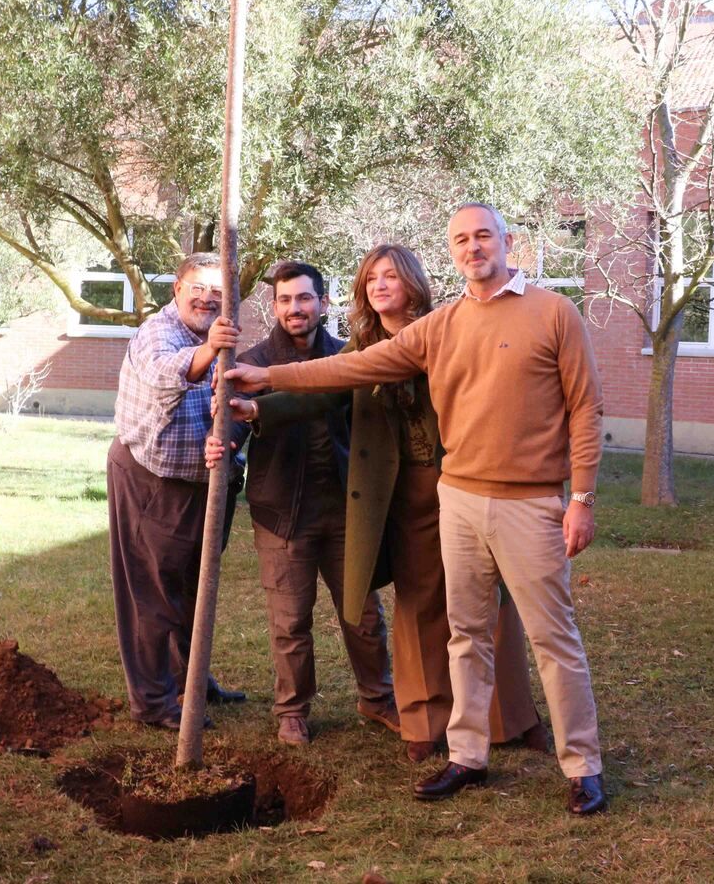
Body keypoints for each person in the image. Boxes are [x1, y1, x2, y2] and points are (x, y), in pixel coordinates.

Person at [226, 204, 609, 816]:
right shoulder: (444, 325)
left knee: (550, 637)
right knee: (464, 633)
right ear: (452, 251)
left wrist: (582, 497)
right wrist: (266, 378)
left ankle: (582, 766)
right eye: (461, 239)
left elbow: (585, 408)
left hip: (529, 500)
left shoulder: (554, 313)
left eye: (483, 235)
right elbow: (351, 368)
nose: (473, 247)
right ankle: (467, 755)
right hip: (455, 496)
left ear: (507, 242)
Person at [208, 245, 547, 762]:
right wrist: (257, 406)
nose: (380, 285)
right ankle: (423, 720)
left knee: (489, 604)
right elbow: (320, 389)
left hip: (466, 481)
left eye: (391, 276)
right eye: (371, 279)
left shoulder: (447, 328)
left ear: (412, 281)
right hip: (400, 496)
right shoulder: (362, 346)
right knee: (416, 607)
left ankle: (510, 716)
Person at [218, 261, 397, 746]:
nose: (294, 308)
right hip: (281, 514)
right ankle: (292, 710)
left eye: (303, 298)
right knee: (290, 621)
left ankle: (377, 697)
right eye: (284, 300)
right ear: (274, 306)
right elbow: (232, 422)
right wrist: (225, 442)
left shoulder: (345, 358)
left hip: (344, 512)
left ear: (322, 302)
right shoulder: (252, 362)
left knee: (362, 614)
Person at [106, 252, 247, 730]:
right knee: (153, 595)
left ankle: (191, 682)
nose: (207, 298)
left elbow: (232, 405)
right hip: (152, 480)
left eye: (217, 291)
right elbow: (168, 374)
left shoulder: (222, 338)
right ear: (177, 290)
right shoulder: (158, 334)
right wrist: (209, 351)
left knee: (194, 589)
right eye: (198, 288)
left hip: (205, 483)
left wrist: (228, 433)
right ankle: (154, 702)